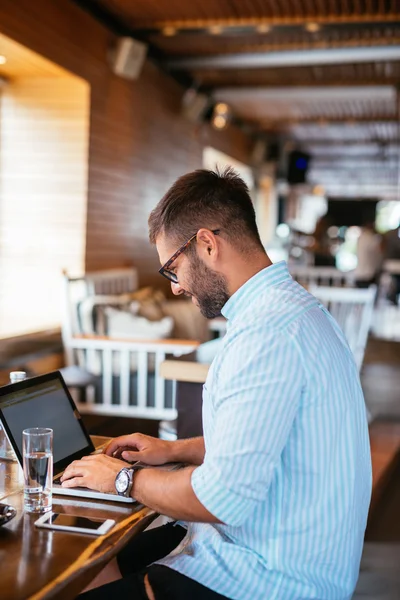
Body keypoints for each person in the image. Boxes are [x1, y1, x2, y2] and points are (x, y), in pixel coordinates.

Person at [61, 168, 372, 600]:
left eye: (172, 268)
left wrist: (120, 479)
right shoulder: (296, 312)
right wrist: (173, 450)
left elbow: (222, 499)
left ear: (207, 244)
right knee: (94, 555)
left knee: (83, 567)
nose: (175, 288)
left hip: (269, 578)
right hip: (287, 560)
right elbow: (266, 442)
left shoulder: (267, 334)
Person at [354, 220, 382, 288]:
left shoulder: (360, 238)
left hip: (359, 274)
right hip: (367, 275)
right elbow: (380, 250)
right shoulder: (370, 238)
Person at [381, 221, 400, 304]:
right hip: (391, 264)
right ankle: (392, 296)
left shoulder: (389, 234)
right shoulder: (391, 234)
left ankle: (392, 296)